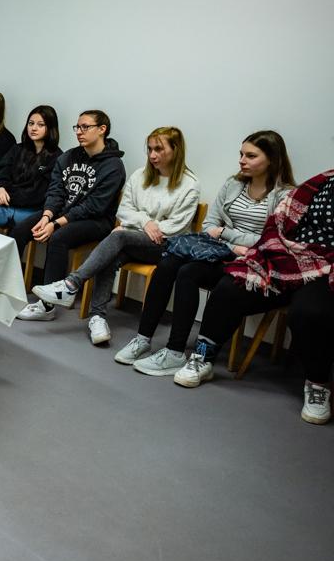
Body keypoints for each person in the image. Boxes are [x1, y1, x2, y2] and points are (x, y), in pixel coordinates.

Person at [115, 131, 296, 373]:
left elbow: (272, 240)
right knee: (168, 264)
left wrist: (225, 233)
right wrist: (232, 243)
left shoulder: (286, 196)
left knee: (188, 272)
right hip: (223, 252)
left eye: (251, 156)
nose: (242, 160)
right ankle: (144, 340)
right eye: (241, 154)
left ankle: (177, 351)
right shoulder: (233, 184)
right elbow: (209, 225)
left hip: (254, 262)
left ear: (272, 159)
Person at [171, 170, 334, 426]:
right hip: (286, 256)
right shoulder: (321, 182)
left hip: (326, 268)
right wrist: (278, 247)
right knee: (230, 286)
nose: (242, 160)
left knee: (310, 313)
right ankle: (203, 356)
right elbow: (279, 223)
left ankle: (318, 383)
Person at [31, 127, 200, 345]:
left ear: (175, 150)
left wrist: (136, 228)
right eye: (149, 149)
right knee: (110, 255)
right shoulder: (140, 176)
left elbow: (176, 226)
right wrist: (145, 222)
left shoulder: (189, 184)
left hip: (166, 246)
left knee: (118, 237)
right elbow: (124, 210)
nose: (152, 155)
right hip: (134, 240)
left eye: (159, 149)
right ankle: (98, 318)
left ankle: (71, 285)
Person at [12, 110, 126, 323]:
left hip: (96, 221)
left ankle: (47, 307)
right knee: (20, 230)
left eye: (86, 127)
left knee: (58, 238)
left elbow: (94, 206)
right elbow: (56, 191)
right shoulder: (68, 157)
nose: (79, 132)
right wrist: (46, 216)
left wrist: (55, 224)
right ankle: (9, 287)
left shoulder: (114, 166)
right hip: (61, 213)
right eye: (77, 127)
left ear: (102, 130)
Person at [0, 106, 61, 231]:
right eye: (31, 123)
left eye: (40, 125)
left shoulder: (57, 157)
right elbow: (1, 174)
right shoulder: (18, 149)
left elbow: (37, 195)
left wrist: (5, 197)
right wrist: (0, 189)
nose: (34, 128)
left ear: (50, 128)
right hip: (5, 208)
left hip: (28, 213)